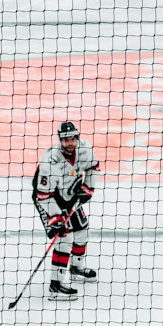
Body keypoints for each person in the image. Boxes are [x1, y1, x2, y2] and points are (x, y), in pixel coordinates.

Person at [31, 118, 100, 297]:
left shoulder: (85, 150)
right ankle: (56, 285)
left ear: (77, 137)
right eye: (65, 139)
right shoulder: (50, 162)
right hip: (48, 199)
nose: (68, 143)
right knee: (64, 236)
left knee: (82, 229)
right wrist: (56, 218)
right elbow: (43, 195)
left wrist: (88, 188)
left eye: (72, 138)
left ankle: (76, 268)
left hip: (70, 195)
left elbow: (94, 166)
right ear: (59, 140)